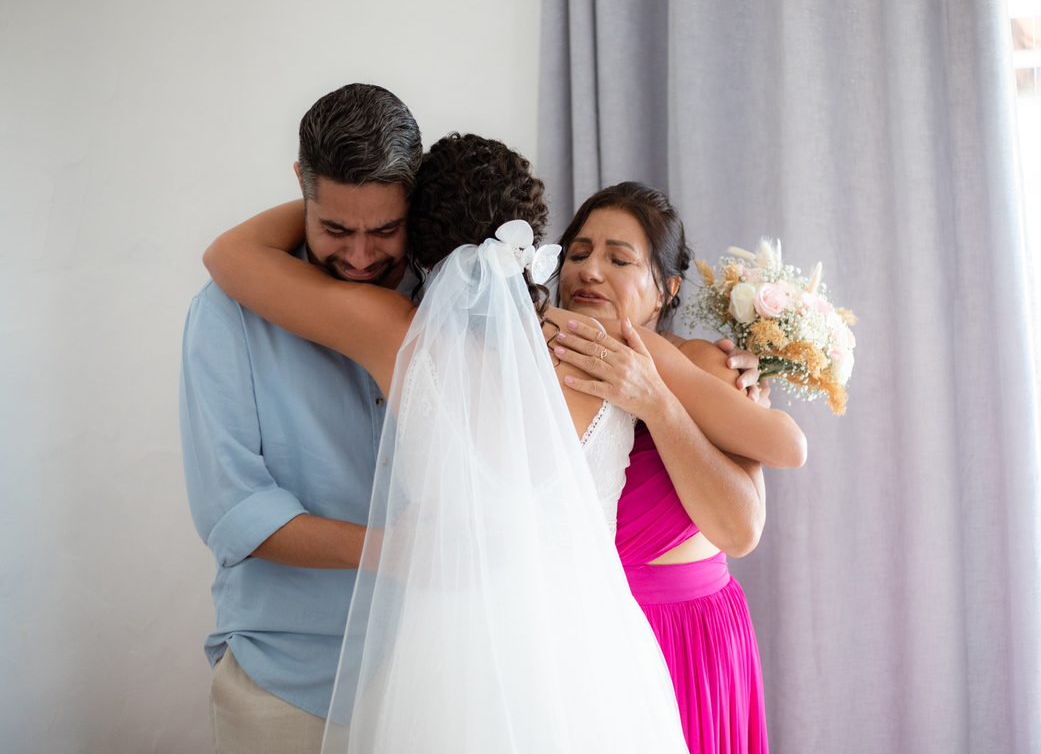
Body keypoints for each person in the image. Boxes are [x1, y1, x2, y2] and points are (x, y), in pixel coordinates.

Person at [202, 133, 806, 751]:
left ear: (419, 238)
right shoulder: (607, 342)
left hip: (451, 649)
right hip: (590, 655)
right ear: (532, 240)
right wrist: (731, 389)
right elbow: (786, 448)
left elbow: (230, 255)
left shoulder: (387, 331)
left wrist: (325, 201)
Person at [179, 83, 424, 753]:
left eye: (384, 230)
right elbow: (234, 511)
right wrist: (396, 551)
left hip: (430, 674)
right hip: (284, 682)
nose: (360, 257)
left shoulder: (448, 295)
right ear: (301, 187)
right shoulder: (225, 313)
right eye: (335, 229)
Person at [552, 181, 792, 754]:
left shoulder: (704, 365)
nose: (589, 270)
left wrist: (655, 401)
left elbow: (741, 529)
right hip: (580, 642)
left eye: (619, 259)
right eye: (578, 253)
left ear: (666, 289)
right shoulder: (536, 362)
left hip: (689, 640)